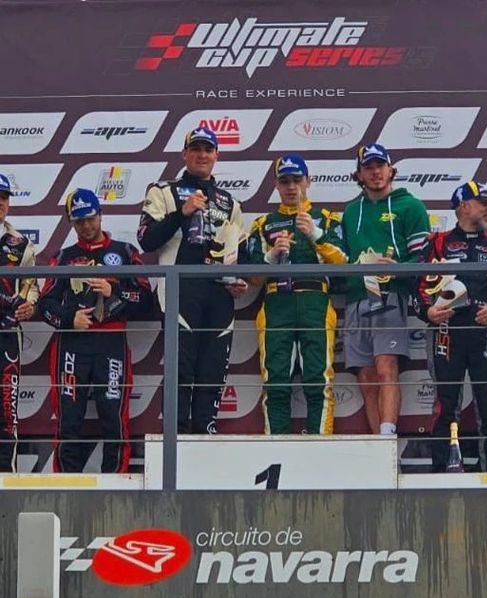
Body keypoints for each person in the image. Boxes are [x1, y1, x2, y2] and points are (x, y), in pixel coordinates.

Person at [137, 126, 248, 435]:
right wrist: (181, 214)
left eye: (208, 150)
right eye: (196, 149)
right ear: (184, 154)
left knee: (212, 369)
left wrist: (238, 281)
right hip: (180, 290)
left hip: (219, 294)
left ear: (216, 156)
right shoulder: (163, 191)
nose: (202, 155)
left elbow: (238, 254)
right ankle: (176, 437)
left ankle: (205, 435)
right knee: (180, 368)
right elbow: (146, 240)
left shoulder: (230, 202)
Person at [39, 188, 151, 473]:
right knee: (68, 419)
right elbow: (45, 304)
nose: (87, 226)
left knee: (113, 416)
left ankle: (116, 482)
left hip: (111, 342)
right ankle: (66, 485)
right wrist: (69, 319)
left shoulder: (125, 252)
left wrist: (115, 292)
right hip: (71, 345)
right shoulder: (63, 257)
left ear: (100, 215)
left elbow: (147, 302)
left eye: (90, 218)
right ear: (71, 223)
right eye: (79, 221)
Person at [248, 155, 346, 434]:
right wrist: (271, 256)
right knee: (275, 383)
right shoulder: (263, 224)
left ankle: (319, 446)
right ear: (276, 185)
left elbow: (343, 263)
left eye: (297, 180)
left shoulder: (327, 219)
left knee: (319, 380)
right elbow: (252, 277)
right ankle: (276, 447)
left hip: (316, 301)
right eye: (285, 181)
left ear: (308, 181)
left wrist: (316, 235)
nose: (292, 187)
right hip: (275, 302)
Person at [414, 180, 487, 472]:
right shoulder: (437, 242)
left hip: (486, 332)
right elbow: (417, 286)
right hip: (447, 332)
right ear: (464, 206)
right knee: (445, 403)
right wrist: (428, 312)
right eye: (484, 203)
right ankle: (442, 470)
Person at [341, 144, 430, 434]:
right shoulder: (351, 211)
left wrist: (398, 267)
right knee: (366, 377)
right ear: (359, 174)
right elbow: (340, 256)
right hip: (356, 297)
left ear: (391, 169)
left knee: (386, 367)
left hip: (390, 295)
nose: (375, 172)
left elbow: (424, 258)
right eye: (368, 167)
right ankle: (378, 446)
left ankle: (388, 435)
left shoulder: (410, 206)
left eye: (380, 165)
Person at [0, 173, 39, 472]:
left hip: (6, 334)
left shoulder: (20, 243)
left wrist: (29, 304)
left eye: (4, 197)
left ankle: (5, 480)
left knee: (6, 412)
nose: (0, 203)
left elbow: (31, 285)